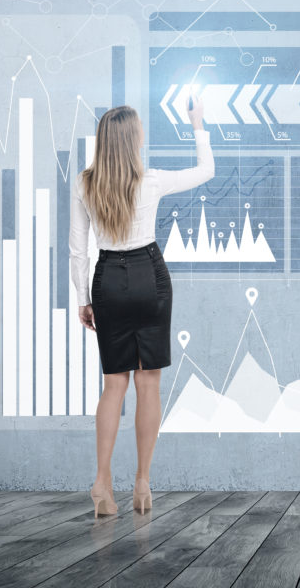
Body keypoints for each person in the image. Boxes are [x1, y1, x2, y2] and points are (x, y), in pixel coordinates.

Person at [69, 98, 213, 517]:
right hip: (151, 278)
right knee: (149, 382)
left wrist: (84, 298)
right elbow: (206, 172)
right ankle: (143, 482)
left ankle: (101, 482)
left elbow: (79, 252)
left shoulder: (84, 184)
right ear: (133, 141)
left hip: (108, 280)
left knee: (114, 384)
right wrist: (197, 123)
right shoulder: (150, 180)